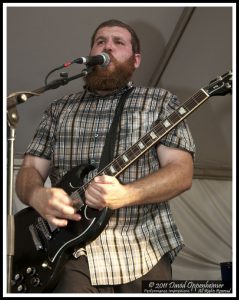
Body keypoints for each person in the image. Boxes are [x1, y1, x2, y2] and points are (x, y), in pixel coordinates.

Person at [15, 19, 195, 293]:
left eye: (118, 42)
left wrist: (126, 194)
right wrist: (37, 196)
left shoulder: (159, 102)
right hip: (69, 255)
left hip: (142, 251)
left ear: (135, 60)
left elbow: (181, 173)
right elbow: (29, 171)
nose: (107, 46)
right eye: (100, 41)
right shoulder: (59, 109)